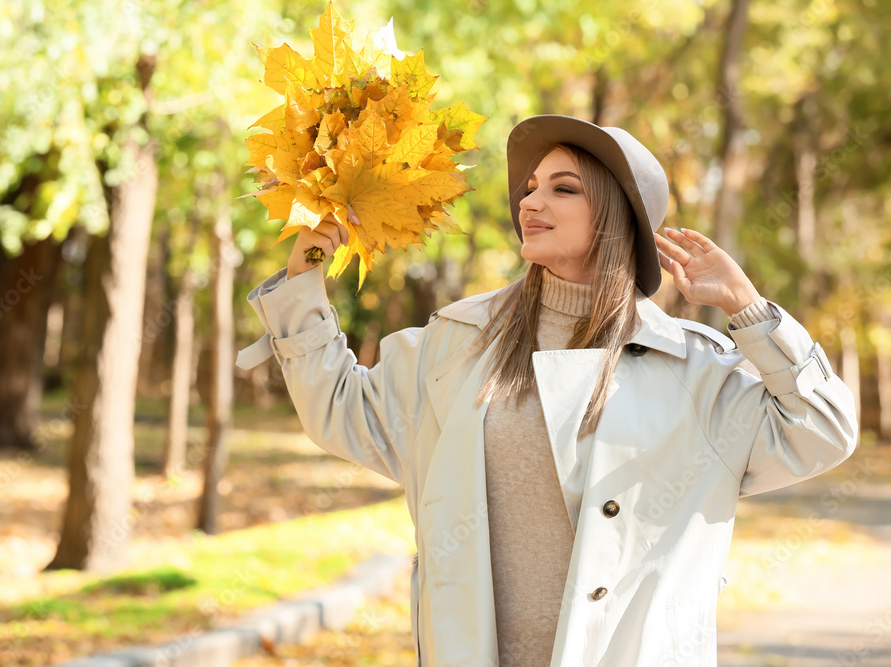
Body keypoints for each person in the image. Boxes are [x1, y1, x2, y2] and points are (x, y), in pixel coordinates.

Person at [236, 114, 858, 667]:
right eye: (530, 188)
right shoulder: (458, 341)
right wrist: (306, 274)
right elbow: (343, 413)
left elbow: (823, 430)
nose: (531, 201)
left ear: (617, 216)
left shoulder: (692, 369)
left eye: (564, 188)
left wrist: (748, 309)